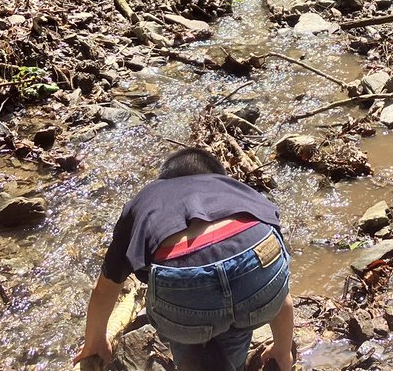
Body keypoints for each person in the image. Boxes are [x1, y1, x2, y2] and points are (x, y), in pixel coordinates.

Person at [74, 148, 294, 371]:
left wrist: (95, 343)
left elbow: (106, 287)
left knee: (188, 337)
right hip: (256, 260)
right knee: (240, 315)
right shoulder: (239, 190)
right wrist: (283, 350)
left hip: (183, 285)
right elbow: (281, 288)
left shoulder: (147, 197)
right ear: (217, 175)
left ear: (166, 177)